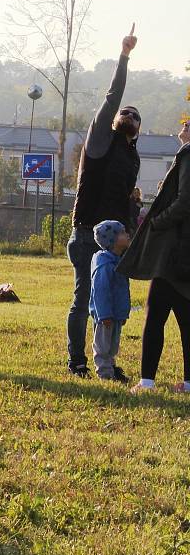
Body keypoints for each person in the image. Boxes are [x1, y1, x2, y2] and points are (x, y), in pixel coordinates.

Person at [66, 25, 140, 379]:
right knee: (84, 300)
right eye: (126, 113)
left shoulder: (133, 156)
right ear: (113, 121)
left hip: (117, 241)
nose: (130, 116)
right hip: (85, 235)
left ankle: (106, 362)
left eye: (136, 116)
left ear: (138, 131)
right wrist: (123, 55)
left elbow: (128, 200)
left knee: (113, 306)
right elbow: (113, 95)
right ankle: (77, 362)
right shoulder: (100, 141)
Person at [119, 121, 190, 393]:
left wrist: (157, 222)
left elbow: (185, 201)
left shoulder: (188, 154)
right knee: (185, 317)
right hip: (183, 250)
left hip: (173, 249)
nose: (183, 124)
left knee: (155, 314)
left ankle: (146, 382)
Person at [89, 221, 131, 382]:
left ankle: (112, 368)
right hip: (105, 314)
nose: (127, 235)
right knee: (103, 344)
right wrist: (104, 313)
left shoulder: (117, 260)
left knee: (113, 344)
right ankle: (104, 373)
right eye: (122, 233)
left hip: (116, 312)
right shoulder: (105, 264)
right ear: (111, 241)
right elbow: (100, 291)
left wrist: (122, 313)